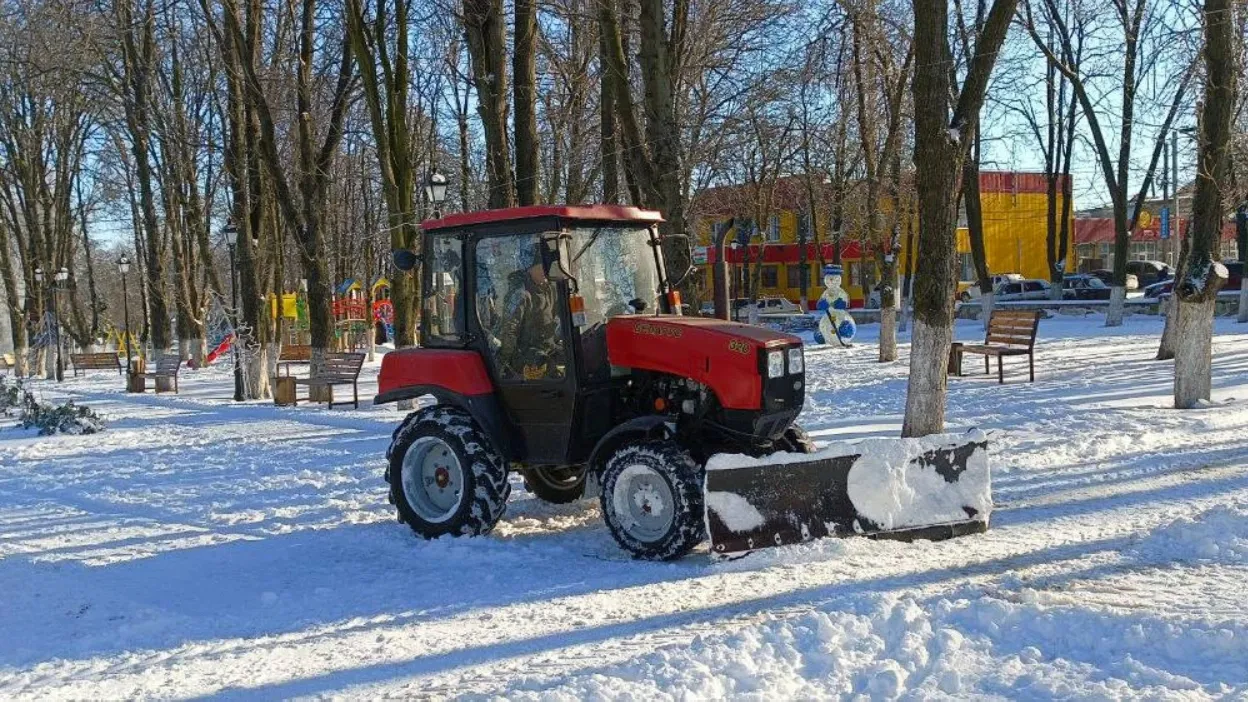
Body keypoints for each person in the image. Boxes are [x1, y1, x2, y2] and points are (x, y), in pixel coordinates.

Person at [493, 242, 565, 380]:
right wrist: (506, 362)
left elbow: (560, 315)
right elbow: (509, 330)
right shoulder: (520, 295)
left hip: (548, 347)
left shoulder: (550, 289)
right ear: (529, 268)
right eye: (540, 267)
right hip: (527, 353)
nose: (545, 270)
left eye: (546, 266)